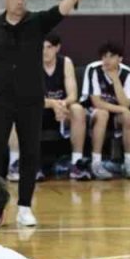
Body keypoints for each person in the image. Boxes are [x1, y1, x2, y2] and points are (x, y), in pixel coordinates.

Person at [0, 0, 88, 228]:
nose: (19, 1)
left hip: (30, 100)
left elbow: (59, 11)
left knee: (30, 152)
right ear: (5, 0)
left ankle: (25, 207)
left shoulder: (37, 22)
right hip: (0, 100)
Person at [81, 42, 130, 181]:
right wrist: (124, 109)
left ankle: (128, 163)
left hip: (116, 112)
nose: (106, 60)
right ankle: (96, 163)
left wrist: (115, 79)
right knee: (102, 114)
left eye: (111, 56)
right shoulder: (93, 69)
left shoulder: (128, 73)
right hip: (91, 111)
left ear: (120, 59)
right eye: (104, 56)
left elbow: (126, 103)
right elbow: (97, 102)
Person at [41, 35, 89, 181]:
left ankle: (76, 163)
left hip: (63, 110)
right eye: (41, 48)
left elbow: (73, 95)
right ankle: (30, 163)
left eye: (49, 47)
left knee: (78, 109)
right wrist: (54, 104)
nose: (45, 52)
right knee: (24, 110)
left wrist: (61, 105)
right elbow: (32, 98)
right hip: (40, 111)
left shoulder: (65, 62)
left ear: (57, 48)